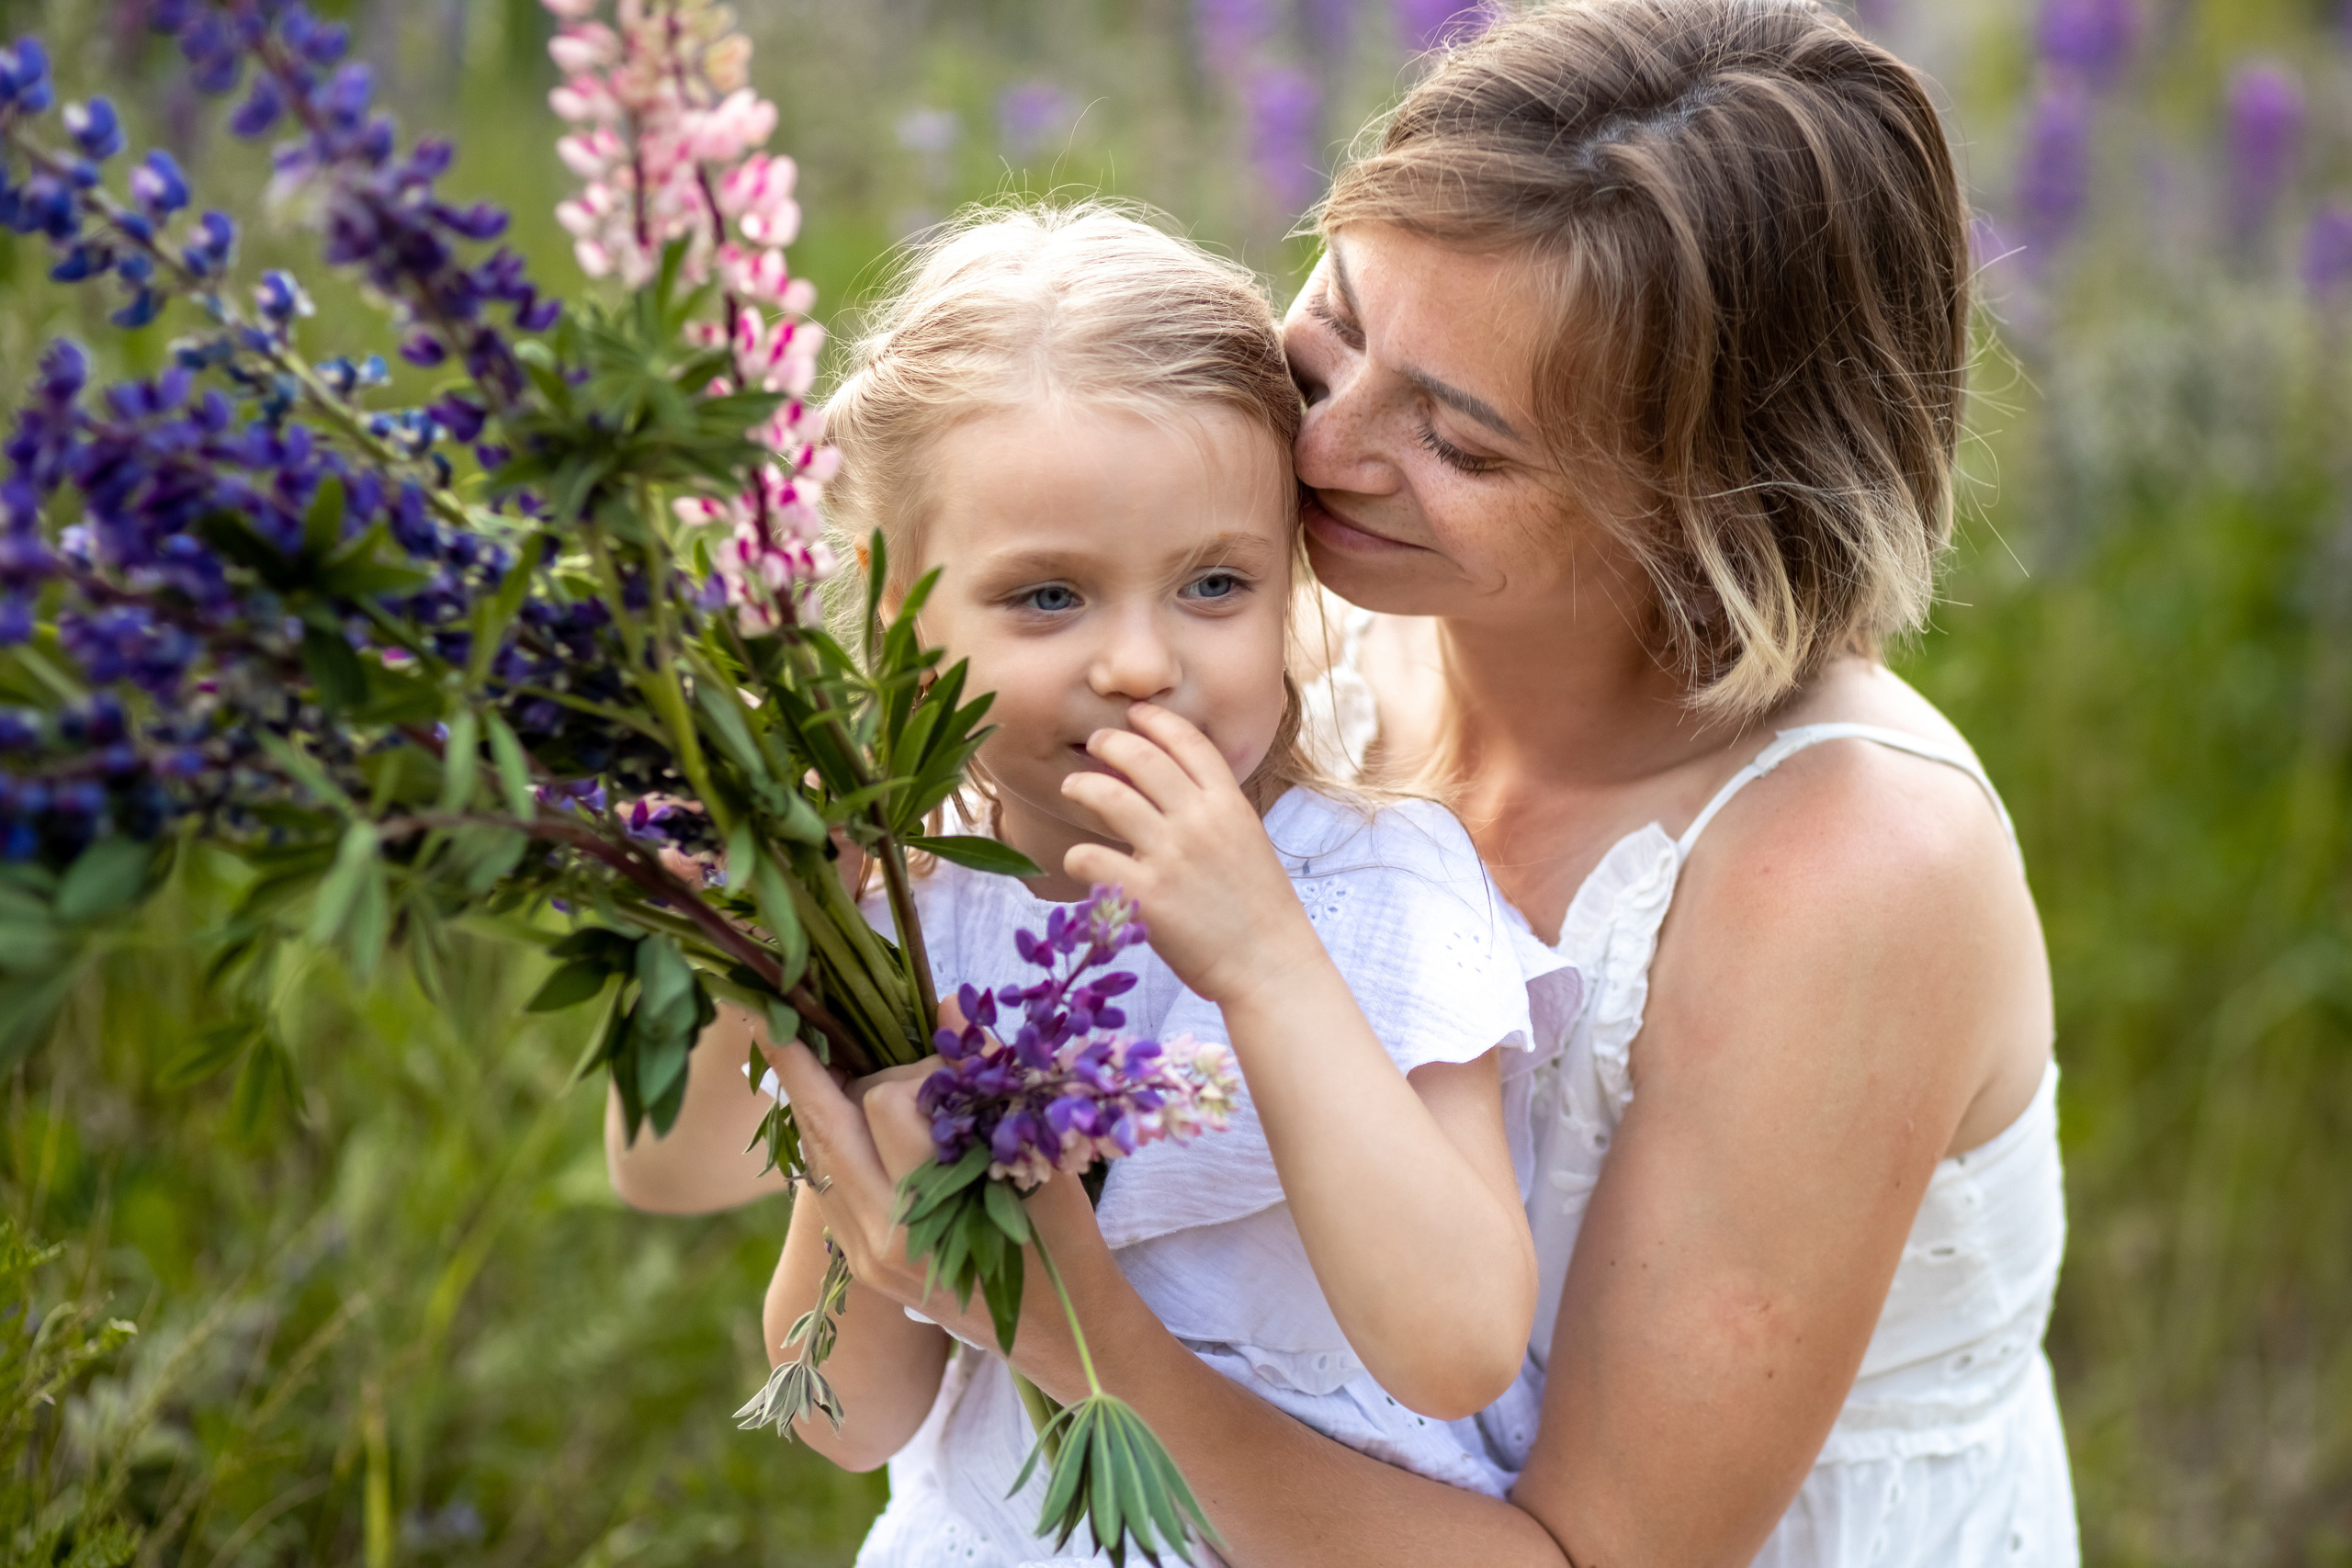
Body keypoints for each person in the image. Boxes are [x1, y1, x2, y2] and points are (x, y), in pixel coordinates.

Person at [766, 3, 2078, 1565]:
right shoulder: (1267, 652)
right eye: (1338, 318)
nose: (1318, 443)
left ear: (1712, 509)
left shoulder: (1850, 871)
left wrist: (1068, 1337)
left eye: (1456, 438)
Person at [615, 204, 1577, 1563]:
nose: (1139, 662)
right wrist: (772, 938)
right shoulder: (904, 904)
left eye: (1215, 584)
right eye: (1050, 598)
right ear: (894, 616)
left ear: (1291, 584)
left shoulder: (1378, 885)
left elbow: (1459, 1351)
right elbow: (842, 1409)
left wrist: (1261, 962)